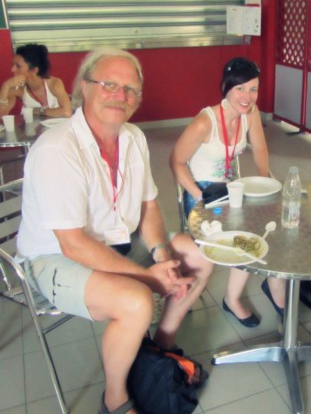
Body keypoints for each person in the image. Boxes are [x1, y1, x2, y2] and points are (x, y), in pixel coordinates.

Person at [17, 48, 213, 414]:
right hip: (55, 258)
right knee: (136, 300)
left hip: (117, 241)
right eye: (108, 84)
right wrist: (148, 277)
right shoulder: (59, 148)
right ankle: (115, 401)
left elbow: (149, 206)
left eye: (130, 89)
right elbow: (73, 244)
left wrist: (162, 256)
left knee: (199, 254)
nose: (119, 95)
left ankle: (159, 348)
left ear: (137, 99)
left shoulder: (134, 138)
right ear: (84, 87)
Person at [170, 57, 286, 327]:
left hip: (232, 188)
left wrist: (265, 181)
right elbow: (175, 161)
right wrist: (198, 195)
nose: (247, 97)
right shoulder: (205, 122)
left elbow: (260, 148)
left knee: (263, 227)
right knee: (235, 238)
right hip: (202, 191)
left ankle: (234, 298)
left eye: (253, 89)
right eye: (240, 88)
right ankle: (198, 289)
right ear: (226, 88)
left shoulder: (250, 113)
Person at [0, 43, 72, 118]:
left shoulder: (54, 84)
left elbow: (67, 112)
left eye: (18, 66)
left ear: (34, 70)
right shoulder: (17, 89)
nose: (12, 69)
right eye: (13, 65)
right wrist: (5, 87)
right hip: (32, 126)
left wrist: (36, 111)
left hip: (59, 125)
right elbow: (1, 115)